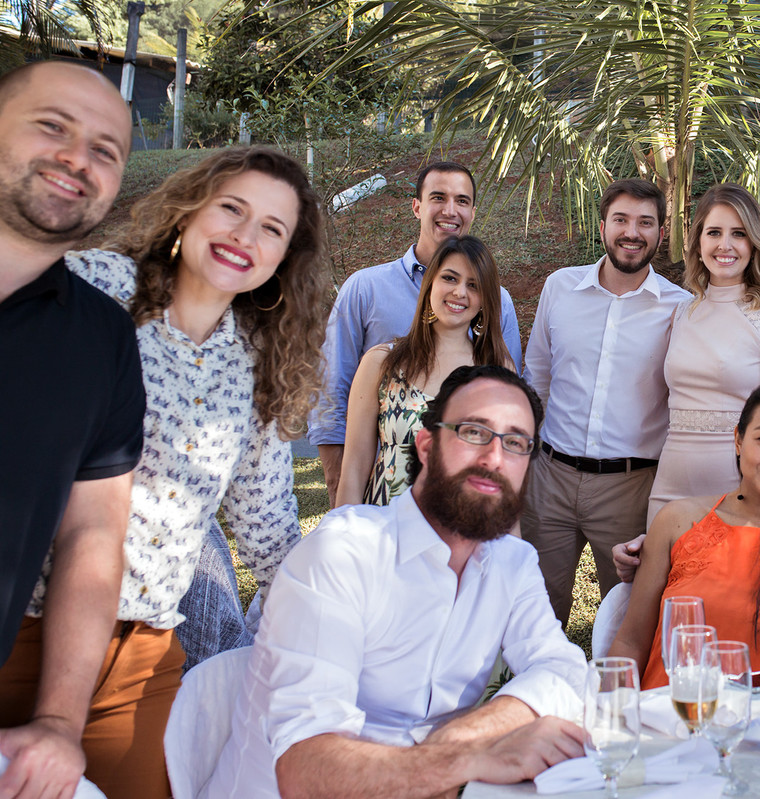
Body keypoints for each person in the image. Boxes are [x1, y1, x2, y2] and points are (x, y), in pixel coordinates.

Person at [0, 146, 329, 798]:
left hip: (144, 656)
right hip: (26, 627)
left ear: (284, 258)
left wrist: (335, 612)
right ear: (186, 213)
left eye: (272, 228)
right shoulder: (98, 287)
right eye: (231, 208)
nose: (245, 235)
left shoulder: (260, 359)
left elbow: (266, 525)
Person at [206, 365, 588, 799]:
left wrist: (459, 741)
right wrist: (468, 759)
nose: (494, 458)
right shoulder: (343, 555)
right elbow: (305, 773)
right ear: (426, 445)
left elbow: (563, 668)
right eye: (474, 432)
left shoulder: (512, 563)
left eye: (515, 443)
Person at [0, 61, 144, 799]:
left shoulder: (103, 342)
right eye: (52, 126)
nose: (75, 159)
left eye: (105, 150)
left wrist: (58, 720)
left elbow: (93, 534)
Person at [522, 178, 691, 626]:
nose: (631, 232)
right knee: (533, 612)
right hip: (549, 479)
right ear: (602, 226)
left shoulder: (682, 308)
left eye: (645, 222)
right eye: (621, 219)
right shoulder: (560, 288)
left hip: (630, 487)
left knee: (625, 619)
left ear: (661, 231)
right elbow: (537, 378)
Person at [309, 161, 524, 504]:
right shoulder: (366, 289)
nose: (450, 210)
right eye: (438, 197)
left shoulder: (499, 302)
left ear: (472, 211)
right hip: (381, 498)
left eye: (462, 200)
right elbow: (334, 389)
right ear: (417, 206)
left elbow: (507, 412)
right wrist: (338, 484)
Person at [608, 382, 760, 688]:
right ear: (738, 440)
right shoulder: (678, 521)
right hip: (669, 716)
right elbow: (631, 643)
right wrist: (612, 719)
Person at [645, 184, 760, 526]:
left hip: (739, 491)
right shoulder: (681, 312)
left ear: (754, 243)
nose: (725, 245)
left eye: (739, 234)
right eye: (714, 232)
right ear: (699, 242)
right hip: (669, 485)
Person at [337, 235, 513, 506]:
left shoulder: (497, 370)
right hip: (385, 530)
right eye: (450, 278)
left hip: (461, 531)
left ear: (484, 300)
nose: (459, 292)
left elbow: (504, 474)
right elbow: (354, 466)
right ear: (430, 283)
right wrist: (345, 534)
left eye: (473, 285)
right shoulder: (382, 362)